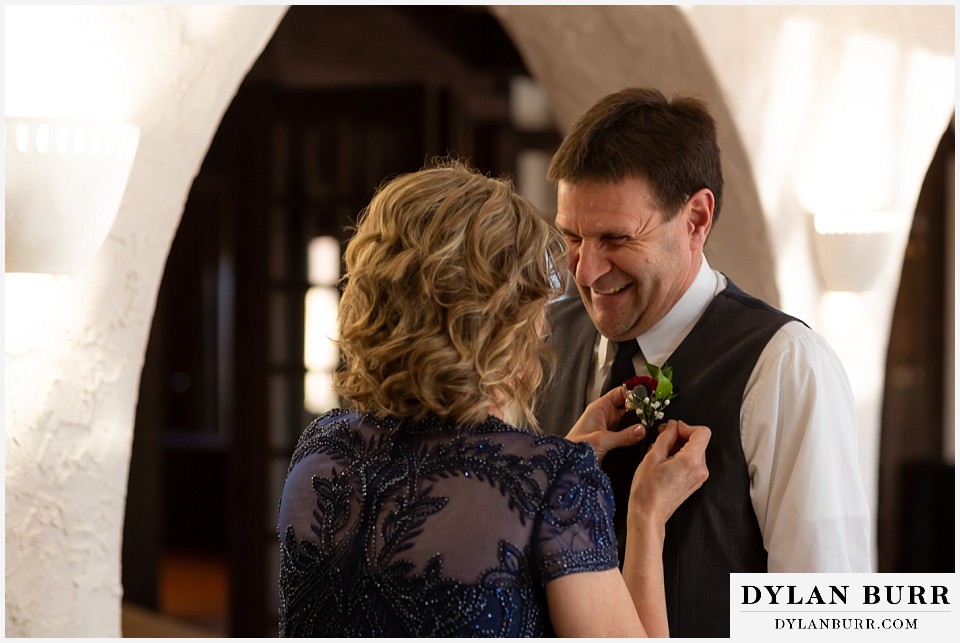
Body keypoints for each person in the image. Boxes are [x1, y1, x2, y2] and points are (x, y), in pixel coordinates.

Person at [276, 159, 712, 637]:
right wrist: (645, 517)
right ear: (506, 320)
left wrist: (549, 483)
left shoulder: (322, 452)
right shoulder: (554, 482)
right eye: (536, 299)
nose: (545, 321)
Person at [535, 87, 873, 638]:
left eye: (616, 238)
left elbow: (824, 619)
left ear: (696, 218)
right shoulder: (539, 339)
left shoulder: (785, 366)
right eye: (572, 236)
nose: (587, 271)